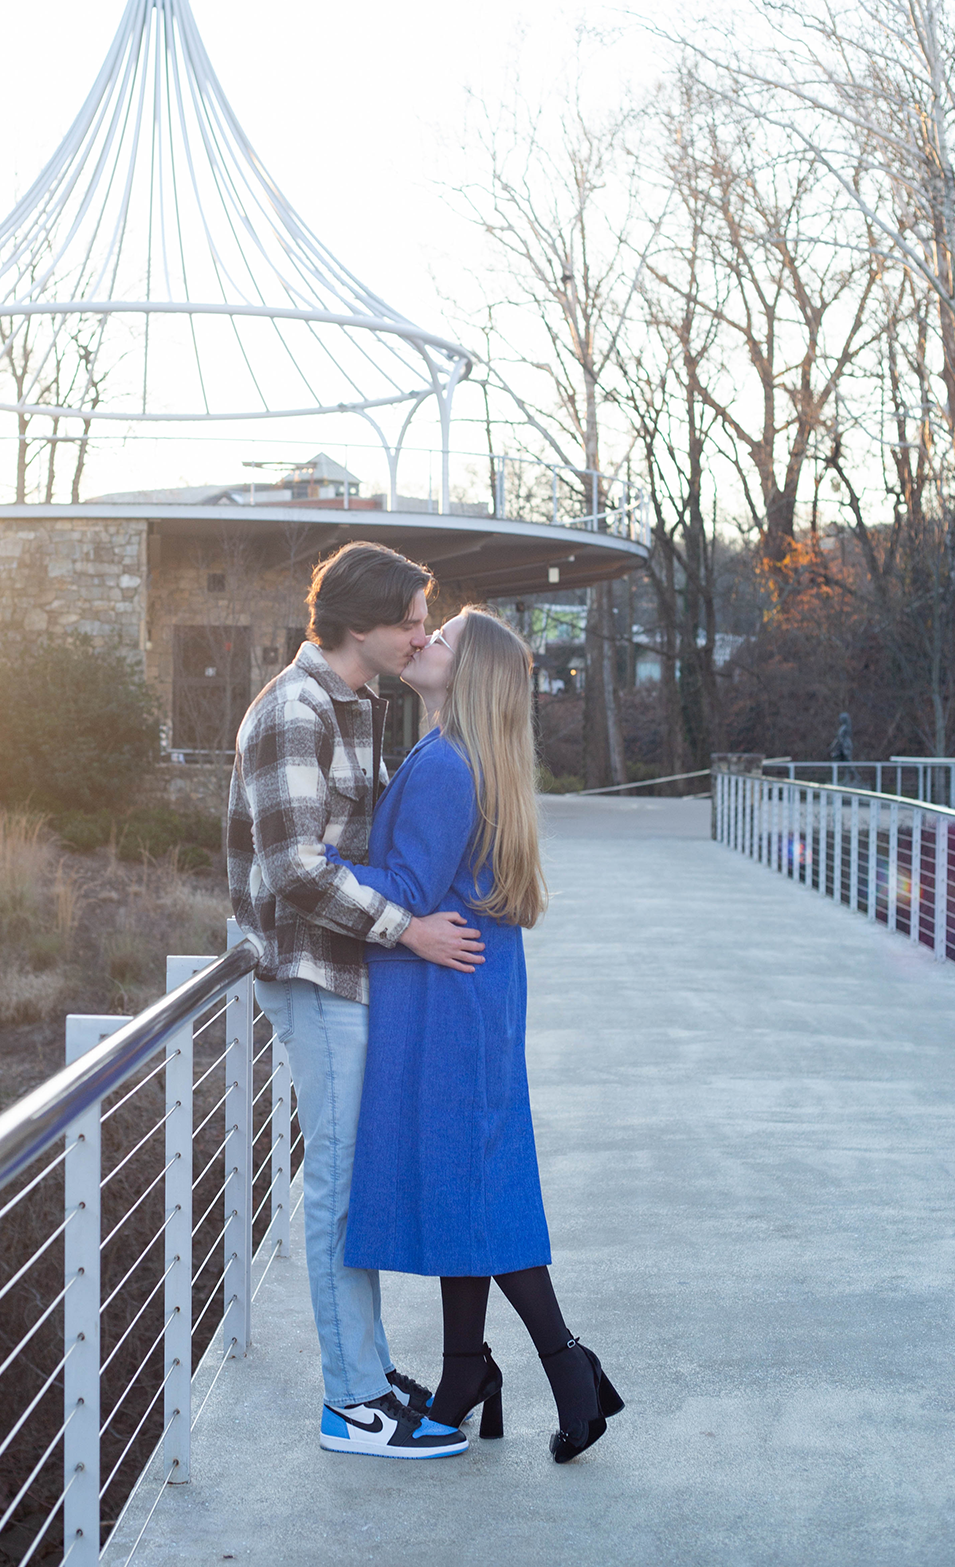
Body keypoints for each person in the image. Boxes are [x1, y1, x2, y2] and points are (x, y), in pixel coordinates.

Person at [328, 606, 625, 1464]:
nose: (422, 641)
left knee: (478, 1186)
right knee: (469, 1179)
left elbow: (414, 885)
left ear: (469, 674)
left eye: (441, 638)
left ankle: (567, 1367)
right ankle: (467, 1373)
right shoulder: (454, 756)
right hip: (465, 994)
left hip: (448, 1003)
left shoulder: (447, 766)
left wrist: (311, 864)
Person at [227, 542, 485, 1460]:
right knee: (336, 1181)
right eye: (412, 619)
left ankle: (368, 1371)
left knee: (350, 1175)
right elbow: (295, 868)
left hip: (348, 967)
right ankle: (350, 1403)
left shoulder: (361, 704)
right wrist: (411, 932)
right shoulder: (294, 711)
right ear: (359, 625)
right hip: (309, 967)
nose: (423, 633)